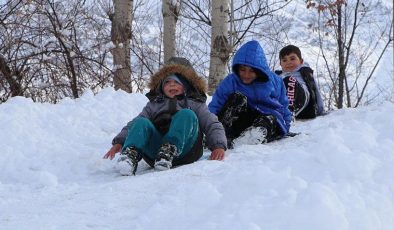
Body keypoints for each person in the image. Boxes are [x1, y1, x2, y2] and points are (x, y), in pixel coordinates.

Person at [104, 57, 227, 176]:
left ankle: (169, 149)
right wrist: (120, 141)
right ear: (161, 86)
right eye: (167, 82)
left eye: (176, 82)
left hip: (187, 151)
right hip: (155, 154)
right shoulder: (154, 104)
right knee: (141, 122)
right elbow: (134, 125)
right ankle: (130, 156)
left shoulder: (194, 103)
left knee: (186, 114)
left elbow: (212, 123)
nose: (172, 85)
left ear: (186, 84)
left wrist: (218, 146)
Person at [208, 40, 292, 149]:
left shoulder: (274, 81)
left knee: (270, 119)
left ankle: (253, 136)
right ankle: (223, 134)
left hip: (266, 120)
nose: (246, 75)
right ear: (237, 68)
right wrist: (208, 129)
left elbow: (283, 105)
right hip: (242, 120)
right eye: (242, 70)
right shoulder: (231, 82)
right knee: (237, 99)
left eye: (251, 71)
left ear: (259, 70)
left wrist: (286, 126)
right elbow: (216, 105)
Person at [276, 44, 325, 119]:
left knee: (289, 80)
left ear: (301, 61)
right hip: (282, 107)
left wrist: (320, 110)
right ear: (280, 64)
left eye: (292, 59)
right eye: (284, 60)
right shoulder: (277, 76)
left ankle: (289, 112)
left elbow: (315, 90)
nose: (288, 62)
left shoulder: (304, 72)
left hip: (306, 107)